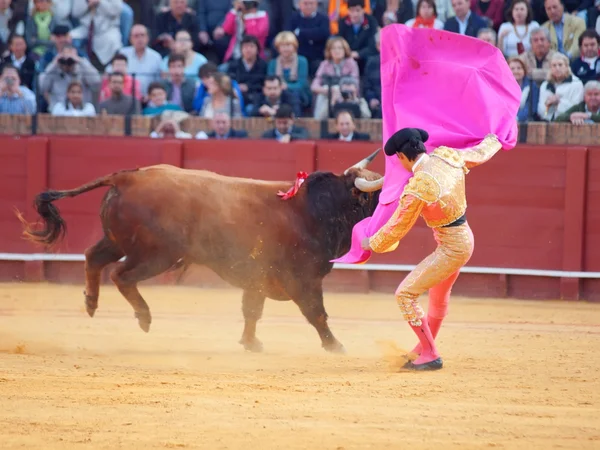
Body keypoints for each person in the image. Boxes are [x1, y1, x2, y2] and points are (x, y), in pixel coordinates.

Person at [360, 128, 503, 371]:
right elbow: (480, 153)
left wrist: (371, 243)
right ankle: (422, 349)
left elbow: (397, 226)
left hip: (451, 248)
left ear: (403, 158)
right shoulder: (447, 156)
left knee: (404, 295)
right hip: (464, 238)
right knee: (438, 299)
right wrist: (496, 138)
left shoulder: (421, 185)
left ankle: (430, 353)